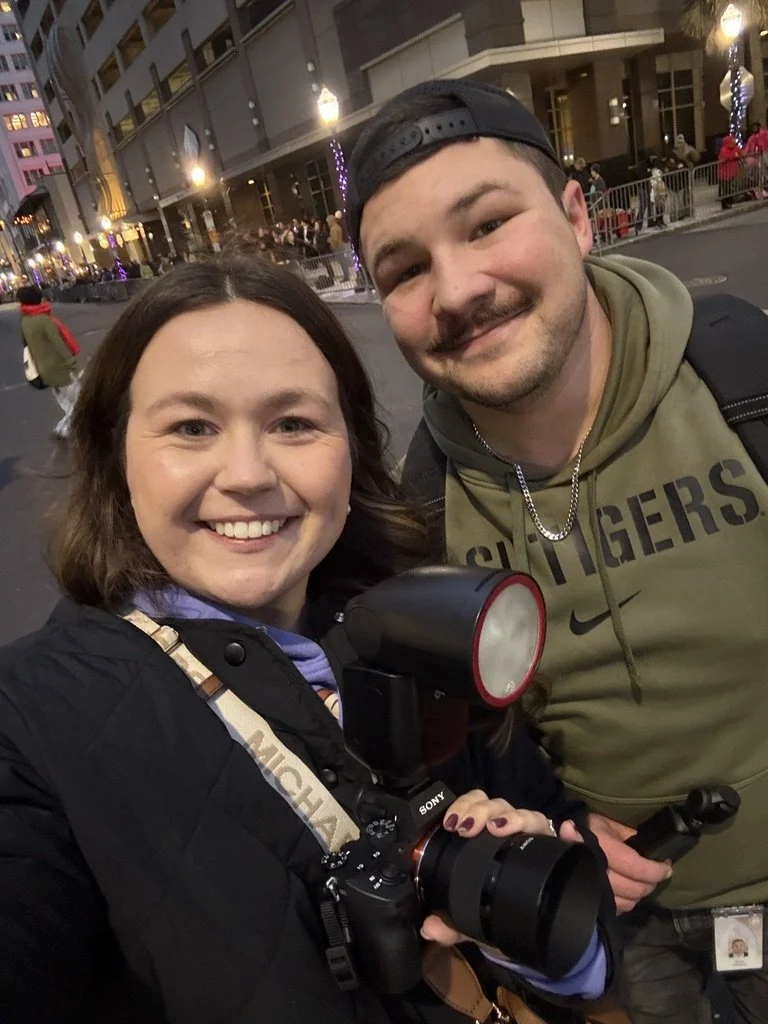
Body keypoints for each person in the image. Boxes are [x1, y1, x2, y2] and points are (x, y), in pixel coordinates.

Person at [0, 256, 616, 1023]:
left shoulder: (414, 624)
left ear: (350, 445)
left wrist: (545, 925)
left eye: (293, 423)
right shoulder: (33, 725)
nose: (249, 474)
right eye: (192, 427)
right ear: (116, 452)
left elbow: (583, 926)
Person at [346, 79, 768, 1024]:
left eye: (489, 223)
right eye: (404, 270)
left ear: (577, 215)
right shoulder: (423, 512)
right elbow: (484, 757)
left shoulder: (743, 375)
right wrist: (557, 829)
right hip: (636, 933)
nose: (456, 291)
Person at [17, 283, 81, 440]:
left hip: (44, 368)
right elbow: (58, 343)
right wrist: (71, 362)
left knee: (64, 399)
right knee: (79, 399)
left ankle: (64, 426)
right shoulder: (43, 320)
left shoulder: (25, 321)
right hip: (59, 367)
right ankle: (66, 428)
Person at [718, 133, 743, 210]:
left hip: (731, 173)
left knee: (729, 189)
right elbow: (729, 156)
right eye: (732, 141)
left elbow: (741, 153)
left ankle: (729, 202)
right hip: (724, 174)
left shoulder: (735, 148)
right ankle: (725, 204)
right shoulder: (724, 149)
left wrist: (737, 155)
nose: (734, 142)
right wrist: (735, 155)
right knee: (726, 189)